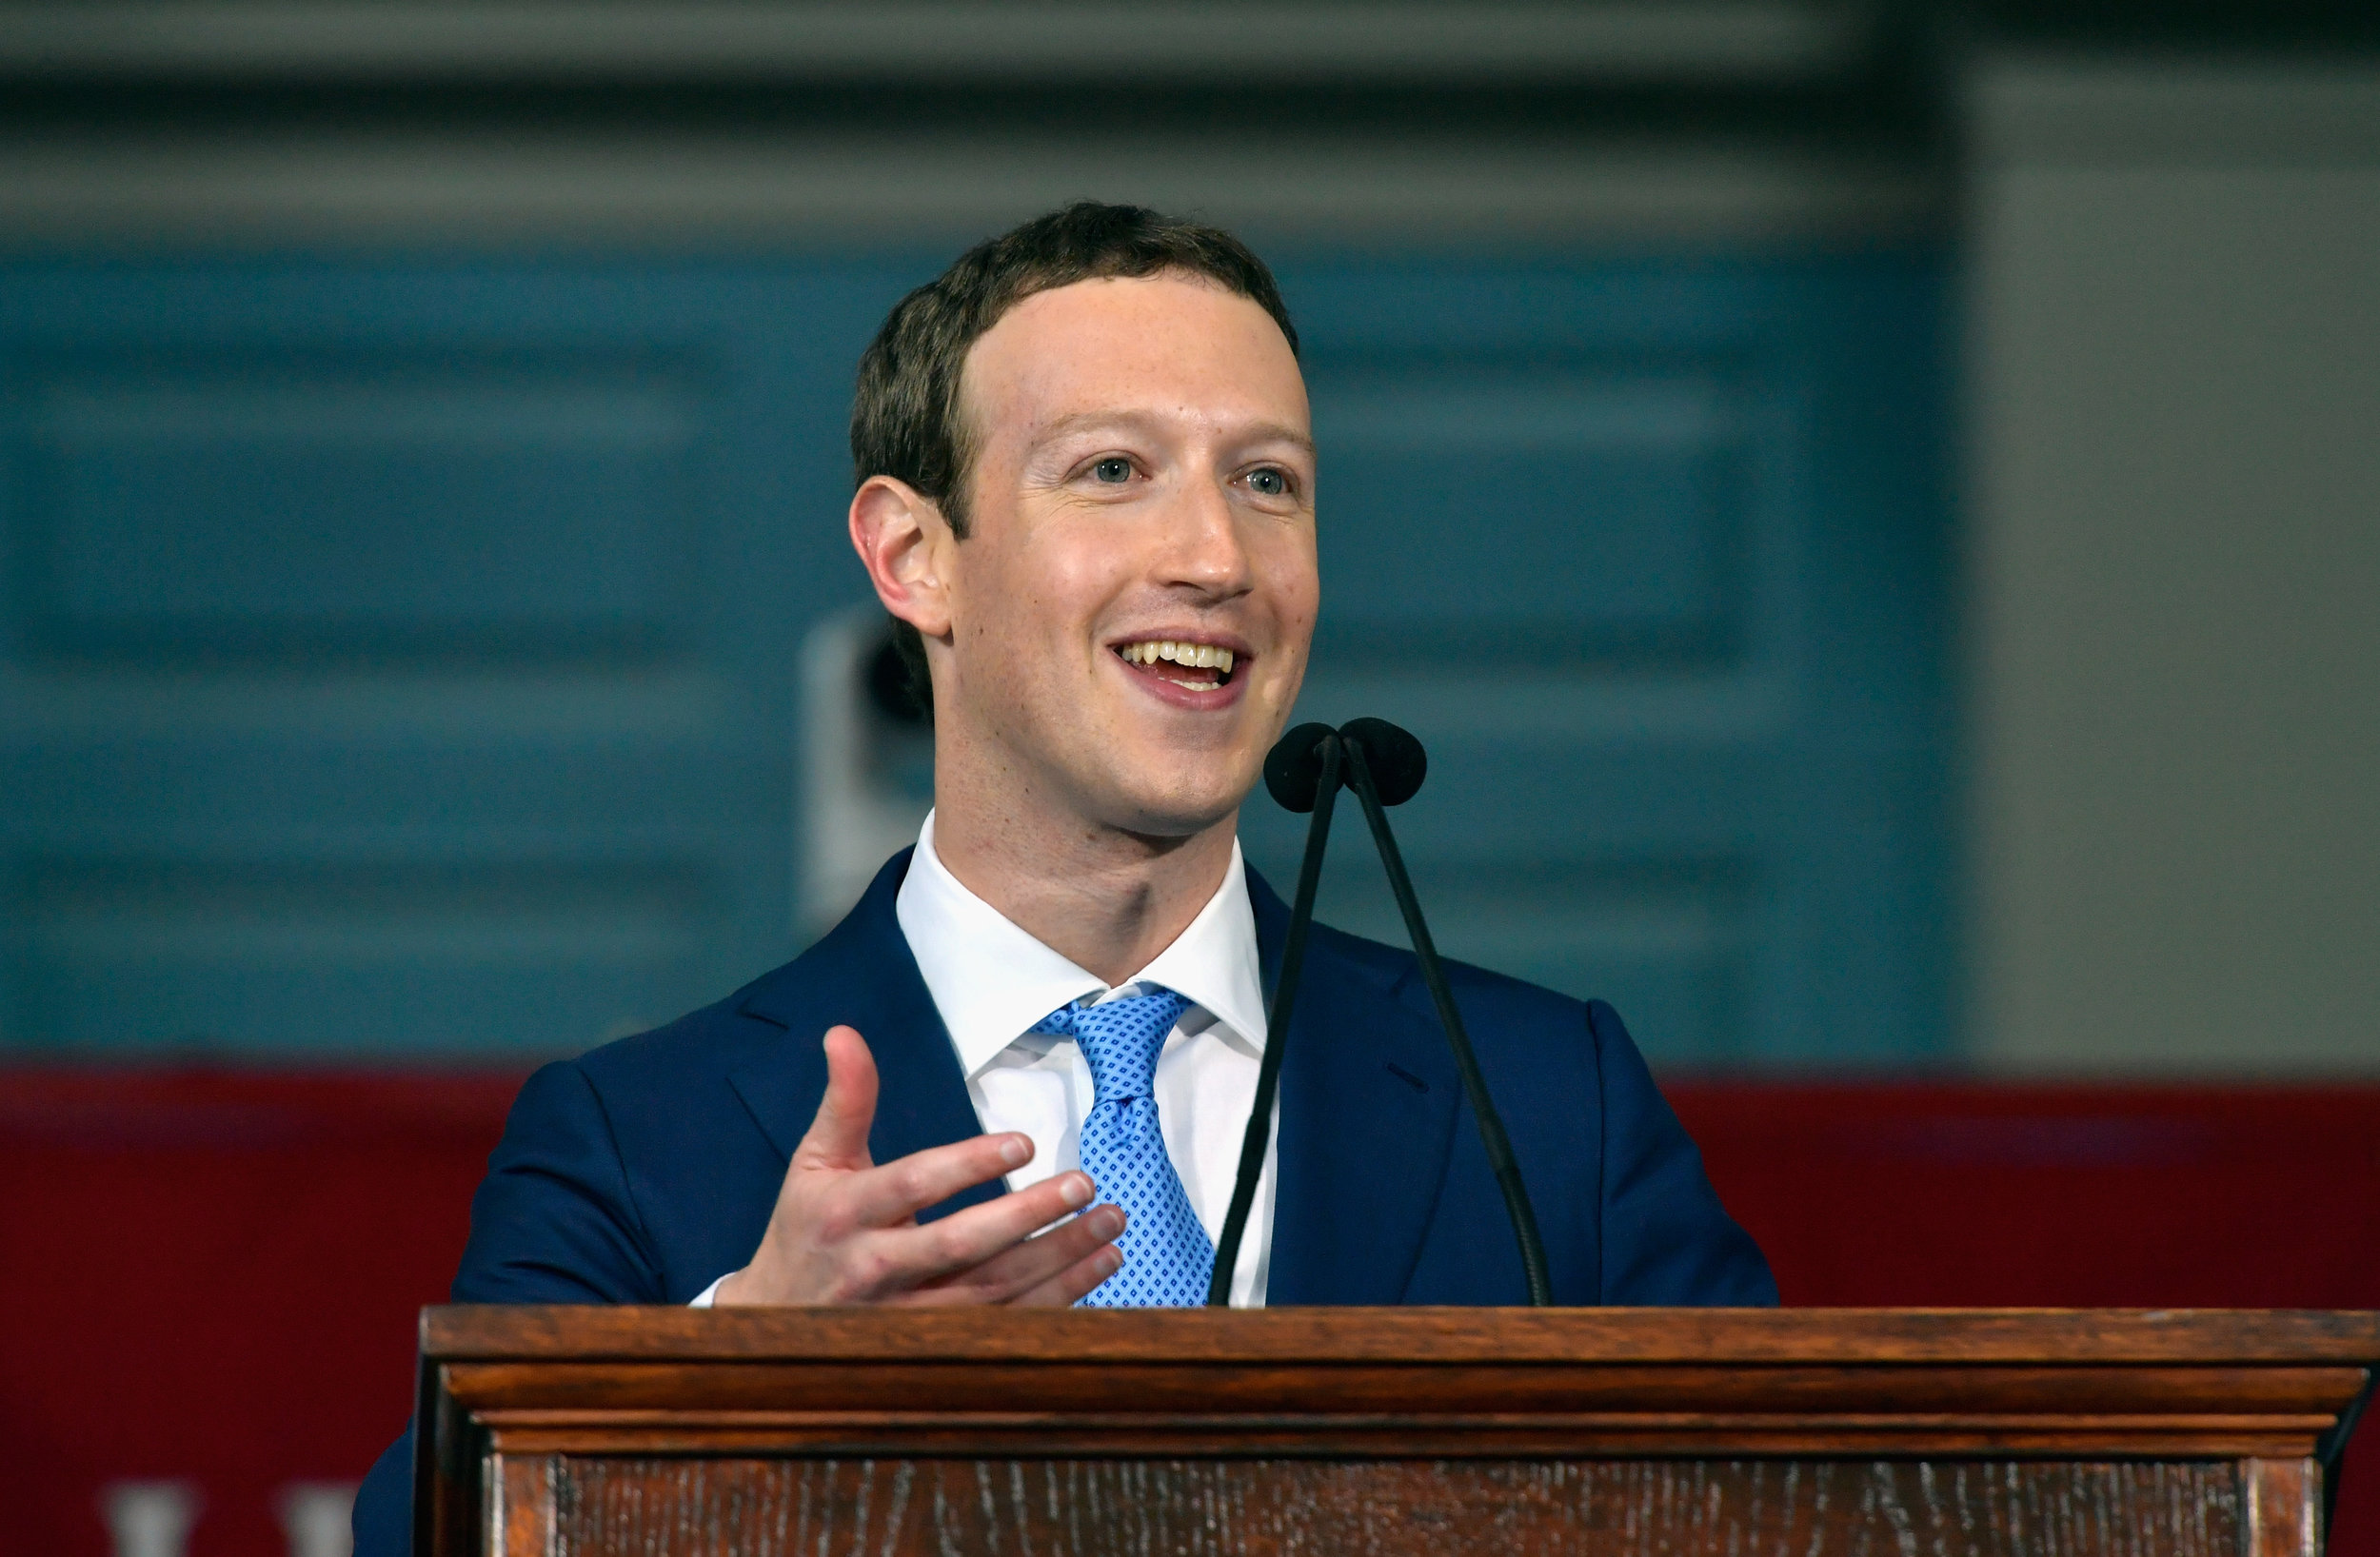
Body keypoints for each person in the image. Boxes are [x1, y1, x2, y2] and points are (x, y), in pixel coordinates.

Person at [352, 202, 1774, 1552]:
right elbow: (414, 1539)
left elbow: (1792, 1507)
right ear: (915, 557)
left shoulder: (1545, 1101)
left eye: (1267, 482)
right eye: (1113, 471)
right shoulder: (633, 1138)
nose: (1217, 556)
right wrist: (733, 1365)